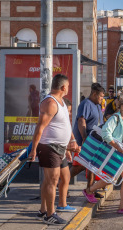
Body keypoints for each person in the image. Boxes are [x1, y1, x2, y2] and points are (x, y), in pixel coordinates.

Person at [29, 74, 79, 225]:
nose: (68, 89)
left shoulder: (61, 102)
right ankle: (50, 214)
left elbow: (64, 124)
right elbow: (40, 127)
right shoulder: (50, 102)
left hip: (60, 148)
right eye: (68, 87)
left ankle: (43, 210)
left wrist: (70, 143)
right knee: (52, 180)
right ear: (63, 87)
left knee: (52, 179)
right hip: (49, 146)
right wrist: (34, 149)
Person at [83, 96, 123, 214]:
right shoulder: (115, 118)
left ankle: (122, 207)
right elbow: (106, 133)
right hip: (116, 154)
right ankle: (89, 190)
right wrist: (117, 147)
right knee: (110, 179)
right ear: (122, 107)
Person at [71, 83, 105, 198]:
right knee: (79, 166)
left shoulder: (97, 106)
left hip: (94, 141)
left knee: (92, 167)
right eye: (101, 96)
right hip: (84, 141)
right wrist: (84, 138)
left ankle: (90, 190)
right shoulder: (86, 104)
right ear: (94, 94)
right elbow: (81, 121)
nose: (102, 99)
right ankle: (61, 183)